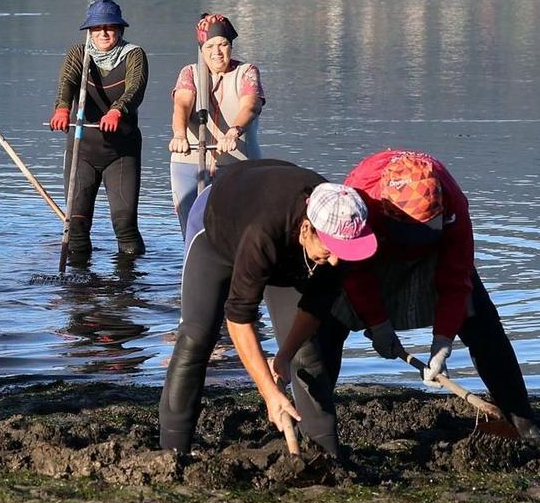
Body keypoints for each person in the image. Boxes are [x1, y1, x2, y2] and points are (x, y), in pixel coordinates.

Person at [306, 150, 540, 441]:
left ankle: (520, 418)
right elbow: (357, 273)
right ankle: (315, 419)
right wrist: (379, 324)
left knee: (482, 322)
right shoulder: (361, 198)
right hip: (371, 248)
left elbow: (456, 278)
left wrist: (442, 340)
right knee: (330, 321)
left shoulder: (454, 202)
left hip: (434, 252)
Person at [158, 158, 376, 459]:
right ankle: (172, 451)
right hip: (217, 226)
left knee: (306, 353)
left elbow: (314, 307)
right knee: (197, 337)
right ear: (305, 229)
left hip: (282, 244)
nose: (337, 261)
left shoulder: (341, 231)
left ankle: (326, 456)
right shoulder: (263, 233)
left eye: (343, 252)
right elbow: (238, 317)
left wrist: (283, 357)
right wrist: (269, 393)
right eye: (331, 251)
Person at [48, 0, 149, 261]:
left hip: (121, 151)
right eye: (97, 28)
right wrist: (61, 108)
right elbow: (67, 83)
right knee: (77, 227)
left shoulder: (134, 55)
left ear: (120, 30)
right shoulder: (78, 54)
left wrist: (118, 110)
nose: (103, 33)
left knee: (125, 224)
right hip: (83, 149)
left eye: (110, 27)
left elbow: (135, 89)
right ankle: (79, 292)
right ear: (89, 32)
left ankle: (128, 289)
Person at [167, 13, 265, 237]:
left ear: (231, 46)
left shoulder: (247, 72)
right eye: (210, 46)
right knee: (192, 231)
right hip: (189, 163)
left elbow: (250, 106)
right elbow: (182, 104)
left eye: (223, 45)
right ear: (202, 49)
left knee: (236, 232)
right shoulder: (190, 73)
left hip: (237, 164)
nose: (217, 52)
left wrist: (234, 131)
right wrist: (179, 135)